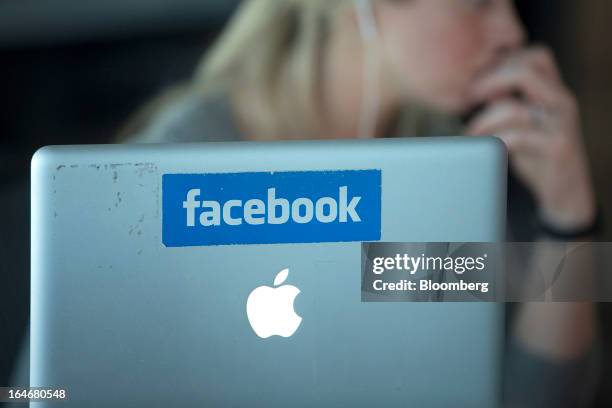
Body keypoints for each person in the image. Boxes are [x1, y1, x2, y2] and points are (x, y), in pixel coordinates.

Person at [123, 0, 601, 406]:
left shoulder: (445, 169)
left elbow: (533, 394)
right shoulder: (182, 160)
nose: (511, 31)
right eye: (480, 2)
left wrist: (569, 214)